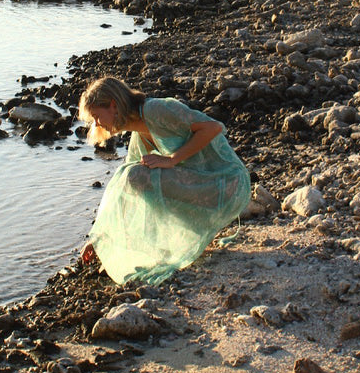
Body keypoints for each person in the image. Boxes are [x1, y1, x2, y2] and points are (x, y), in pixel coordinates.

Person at [78, 76, 251, 285]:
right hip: (205, 186)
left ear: (113, 105)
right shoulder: (138, 135)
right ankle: (188, 238)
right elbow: (122, 192)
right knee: (130, 175)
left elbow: (213, 127)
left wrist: (172, 159)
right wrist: (99, 237)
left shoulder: (156, 110)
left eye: (97, 116)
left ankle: (185, 239)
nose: (97, 124)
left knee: (135, 176)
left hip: (228, 182)